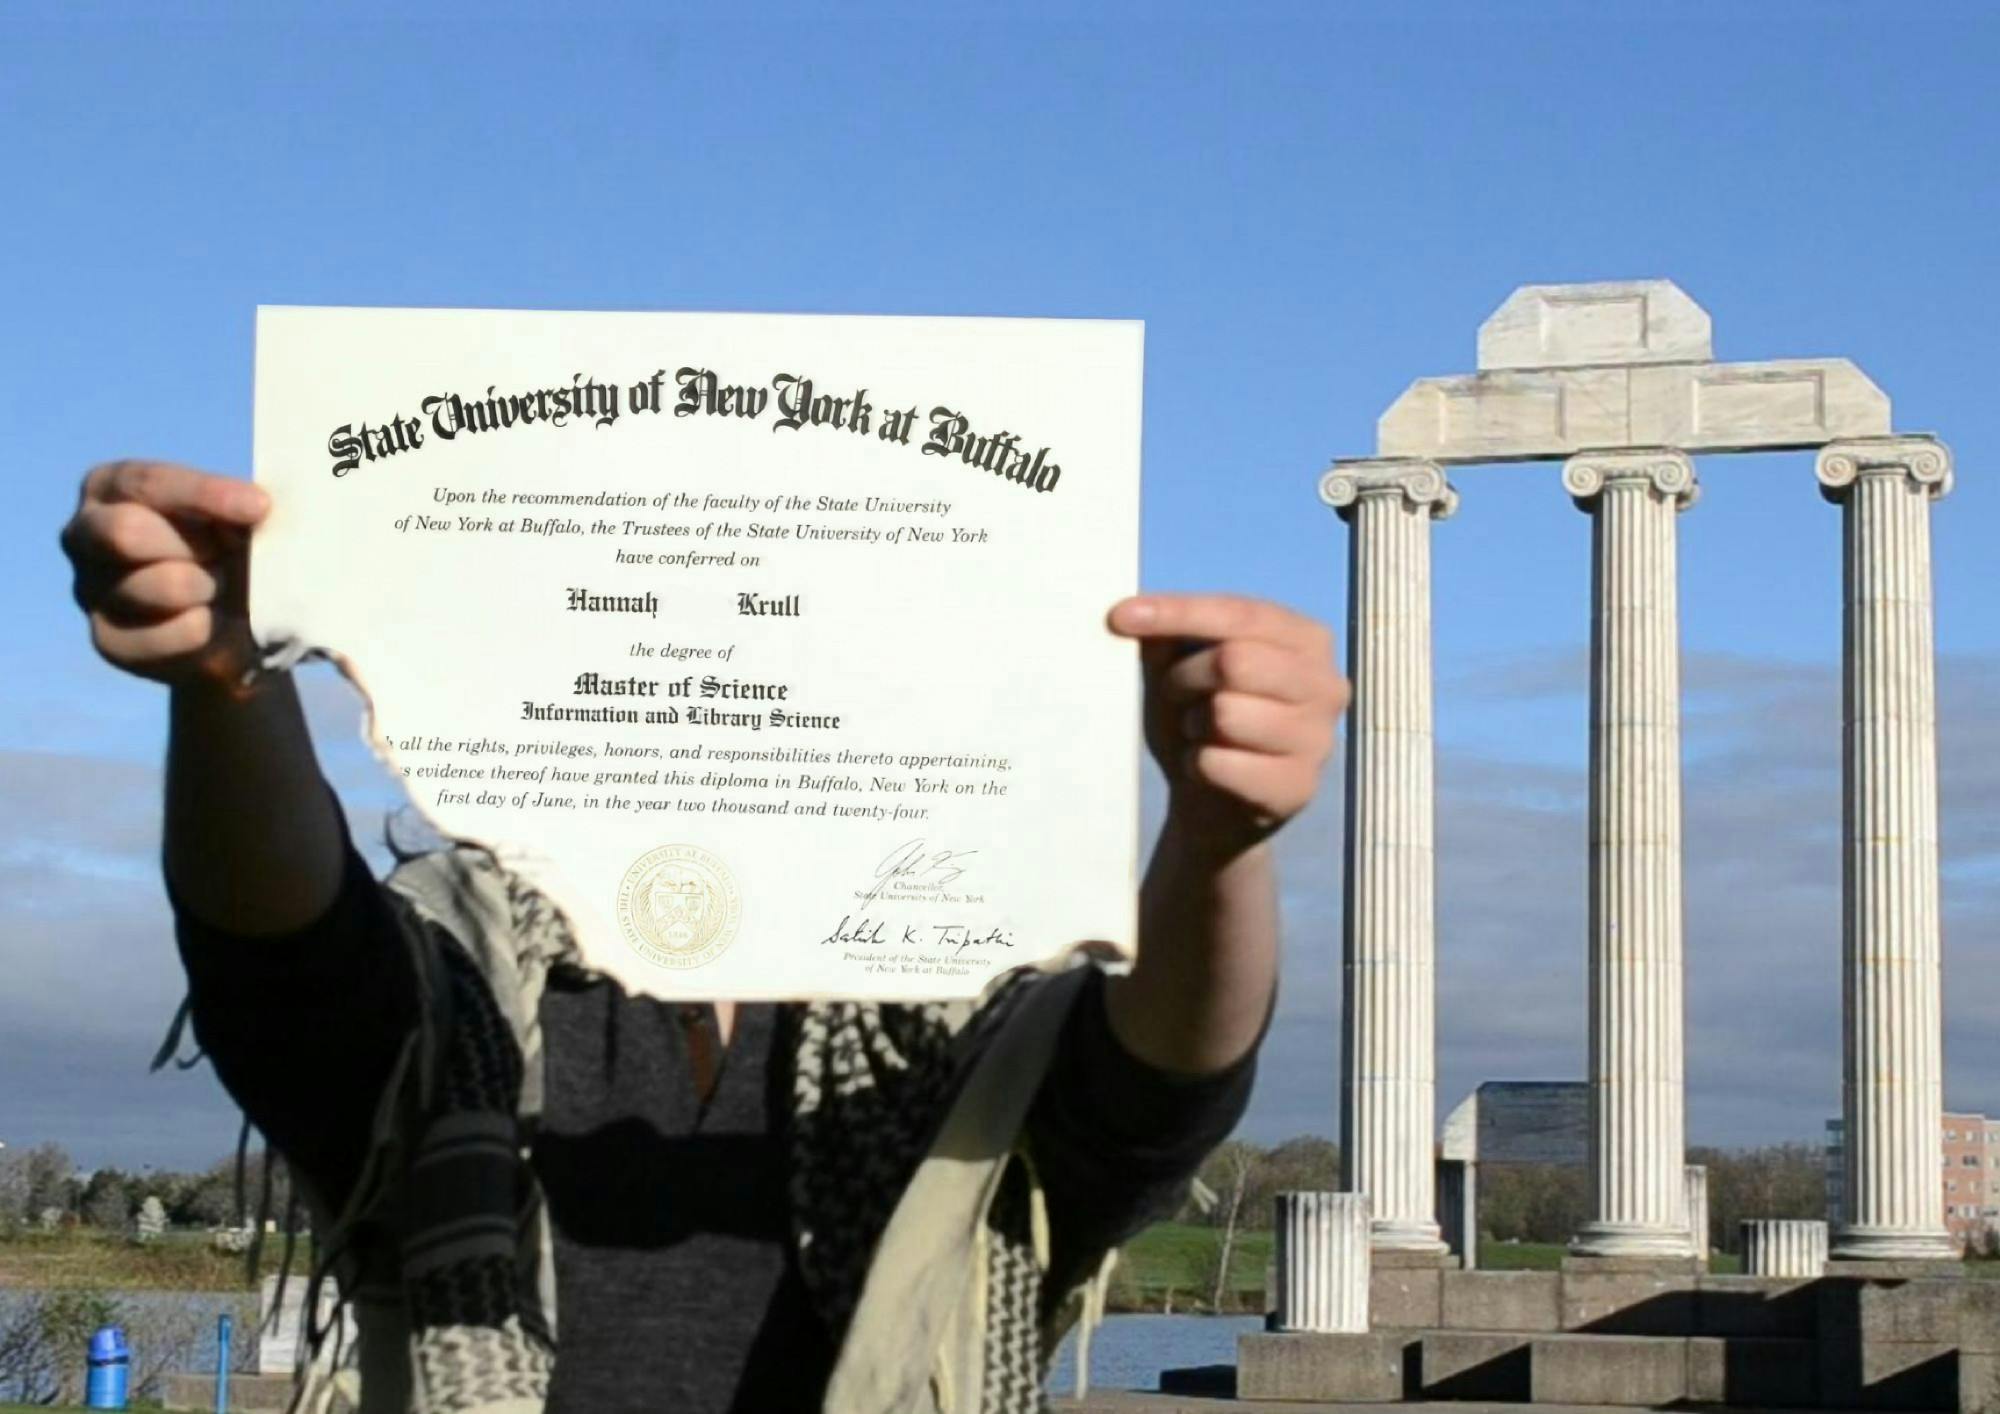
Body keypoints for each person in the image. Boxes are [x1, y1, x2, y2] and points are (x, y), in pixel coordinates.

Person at [61, 459, 1350, 1414]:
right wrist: (226, 682)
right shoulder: (464, 992)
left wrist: (1218, 834)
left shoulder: (964, 1003)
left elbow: (1159, 1081)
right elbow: (286, 961)